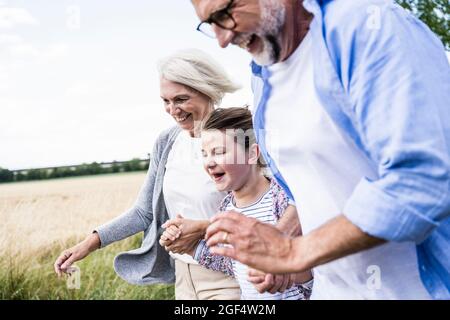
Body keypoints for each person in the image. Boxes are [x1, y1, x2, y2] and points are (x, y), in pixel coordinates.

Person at [190, 0, 450, 299]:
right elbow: (312, 185)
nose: (222, 39)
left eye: (225, 14)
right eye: (210, 24)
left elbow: (425, 179)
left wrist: (295, 251)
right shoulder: (263, 75)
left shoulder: (368, 27)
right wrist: (280, 241)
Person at [54, 48, 245, 300]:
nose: (172, 110)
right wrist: (88, 244)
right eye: (165, 101)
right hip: (183, 276)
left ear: (206, 90)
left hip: (231, 275)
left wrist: (201, 229)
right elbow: (143, 211)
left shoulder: (238, 135)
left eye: (181, 99)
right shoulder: (168, 141)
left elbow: (261, 211)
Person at [161, 107, 313, 299]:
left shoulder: (282, 201)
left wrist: (284, 264)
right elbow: (229, 263)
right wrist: (187, 244)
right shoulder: (227, 207)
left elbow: (312, 273)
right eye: (204, 154)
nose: (209, 162)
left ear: (252, 154)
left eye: (219, 152)